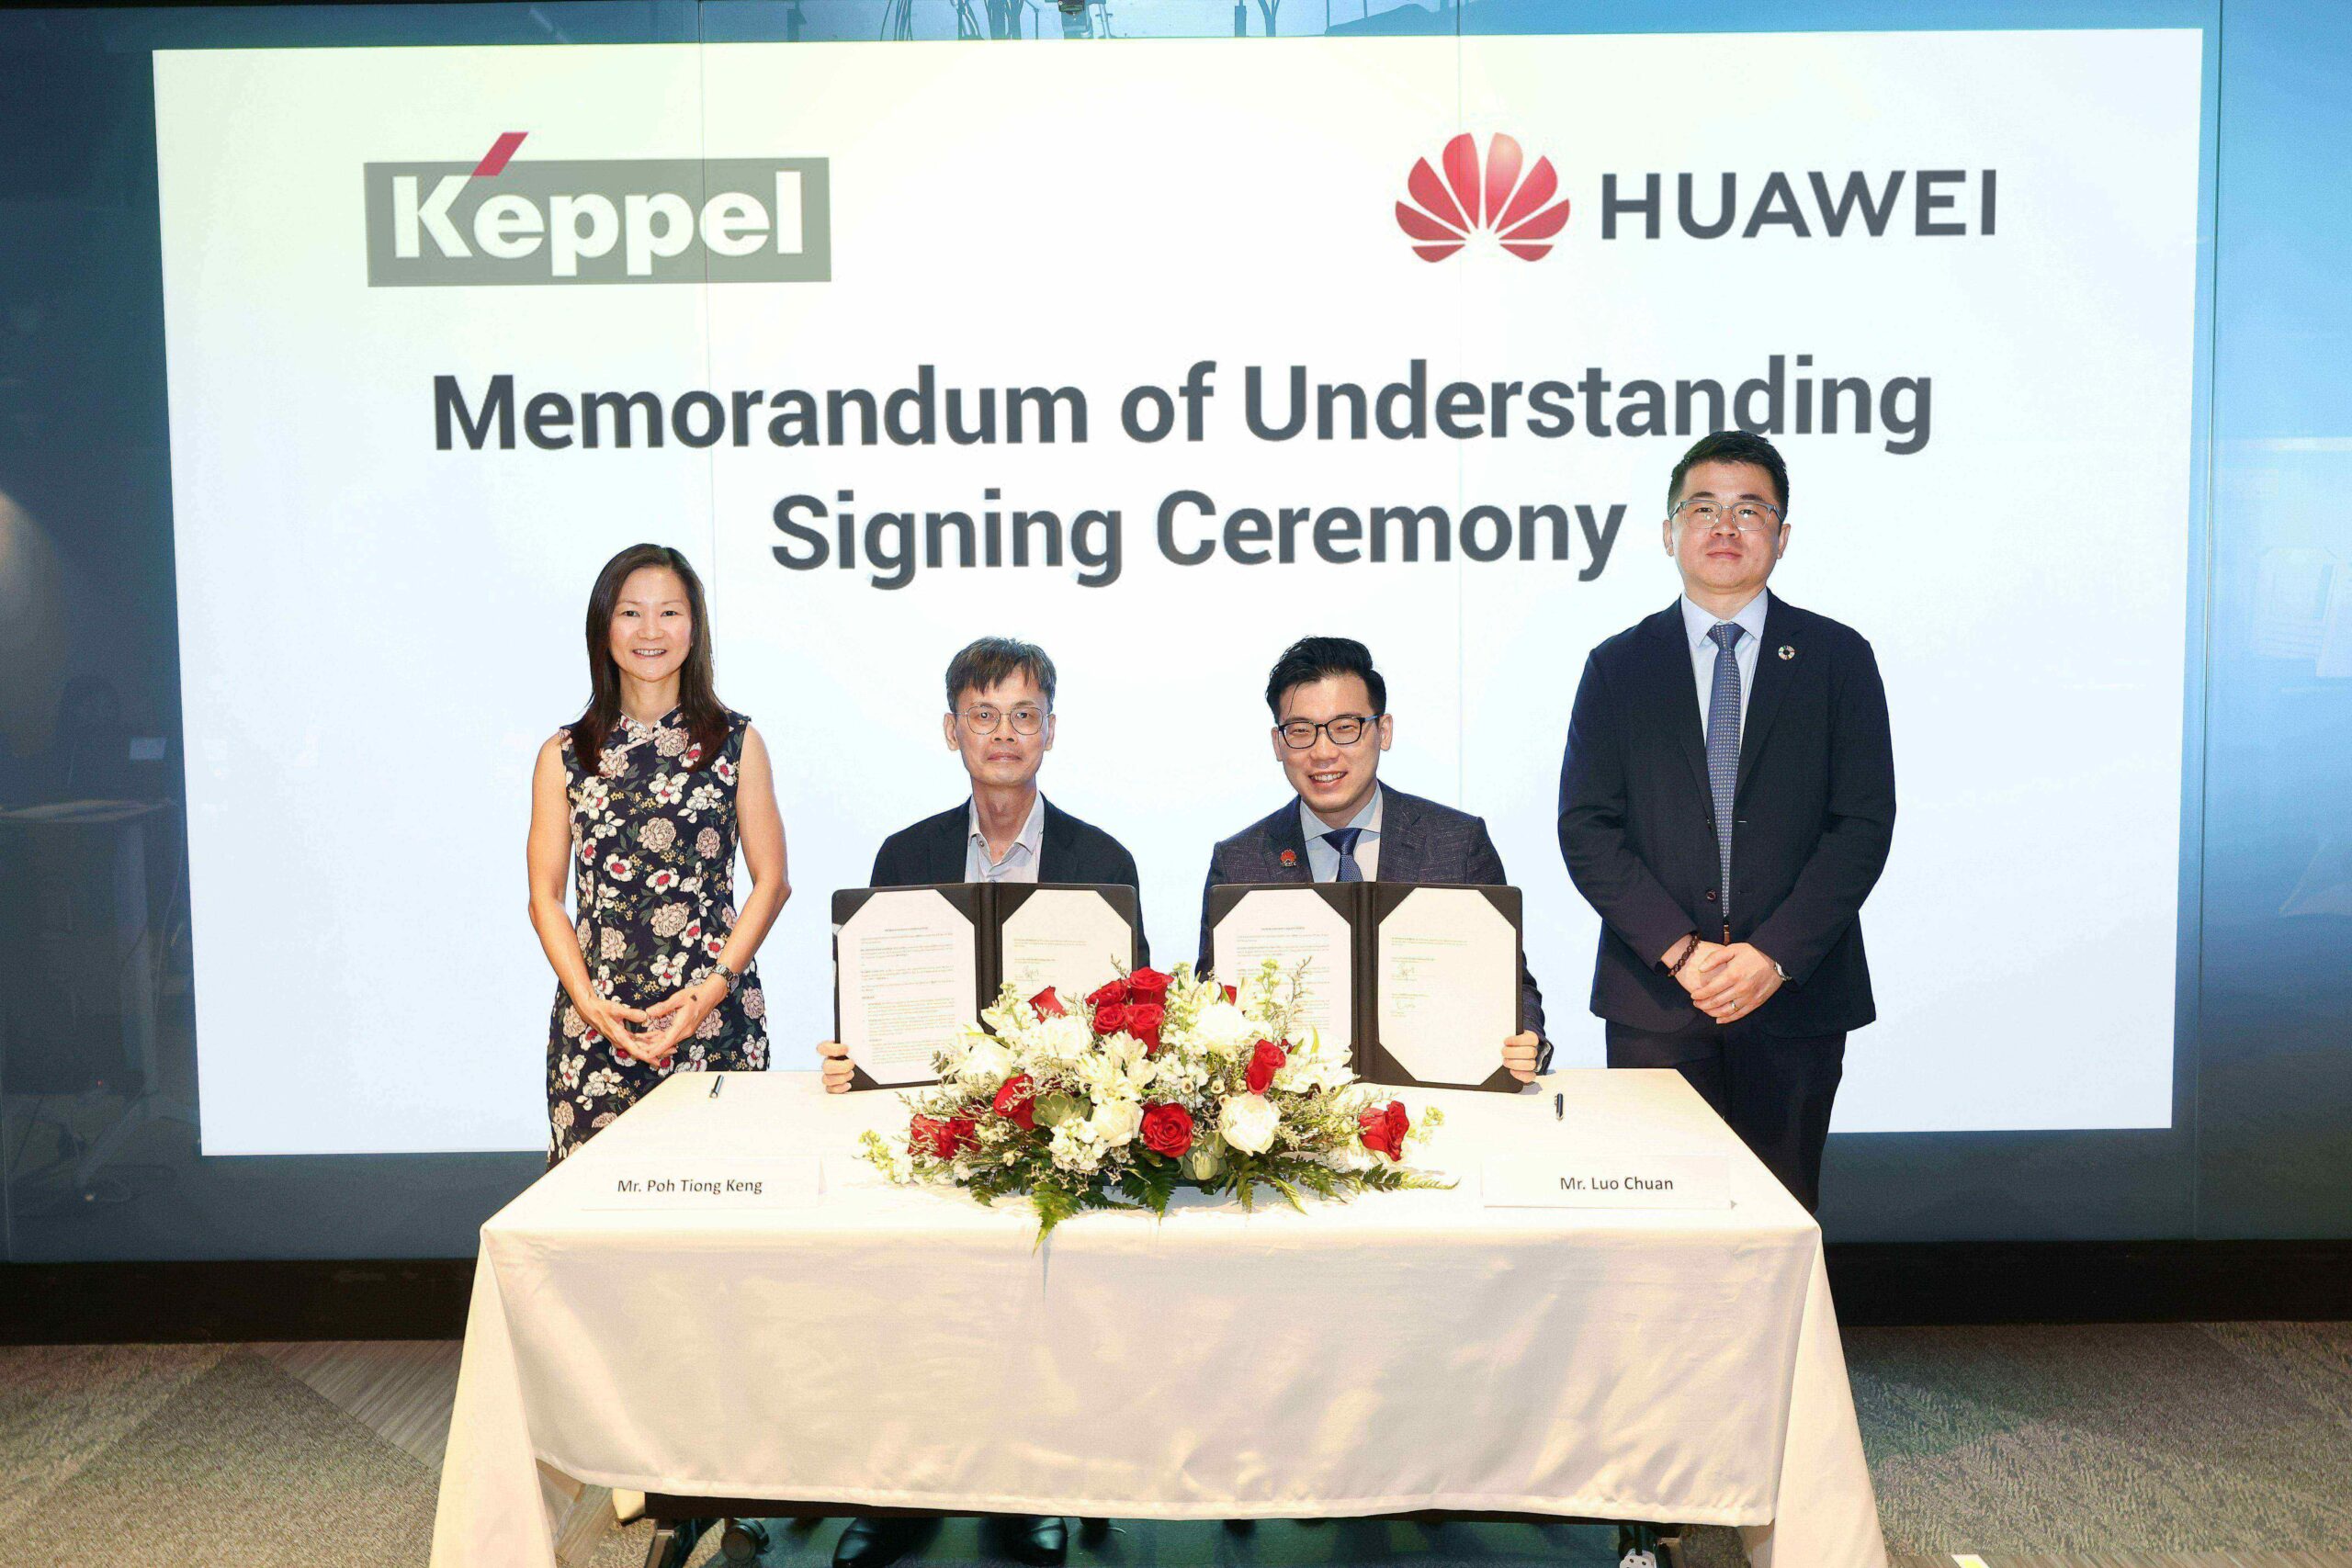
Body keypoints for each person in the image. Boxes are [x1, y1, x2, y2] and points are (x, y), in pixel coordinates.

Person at [818, 635, 1141, 1568]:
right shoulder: (906, 852)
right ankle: (900, 1489)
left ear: (1051, 731)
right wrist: (850, 1053)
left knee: (1039, 1298)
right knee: (907, 1296)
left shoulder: (1102, 857)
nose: (1004, 733)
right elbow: (869, 992)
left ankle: (1031, 1480)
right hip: (932, 1118)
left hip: (1053, 1127)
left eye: (1024, 715)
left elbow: (1134, 1013)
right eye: (985, 714)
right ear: (951, 728)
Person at [1556, 430, 1894, 1215]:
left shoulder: (1838, 658)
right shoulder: (1618, 665)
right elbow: (1587, 828)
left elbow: (1862, 824)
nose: (1725, 526)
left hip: (1795, 997)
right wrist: (1682, 951)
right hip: (1657, 1000)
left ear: (1783, 534)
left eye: (1750, 509)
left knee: (1778, 1217)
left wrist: (1772, 956)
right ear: (1668, 530)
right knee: (1661, 1225)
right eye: (1703, 508)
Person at [527, 543, 789, 1164]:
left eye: (669, 612)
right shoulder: (564, 755)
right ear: (604, 627)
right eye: (630, 613)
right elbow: (545, 898)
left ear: (694, 628)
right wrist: (588, 1002)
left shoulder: (737, 744)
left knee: (722, 1205)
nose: (651, 631)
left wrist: (712, 990)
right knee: (593, 1214)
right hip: (599, 1028)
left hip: (713, 1021)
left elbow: (772, 881)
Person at [1196, 636, 1547, 1082]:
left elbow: (1510, 983)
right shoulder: (1239, 861)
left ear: (1383, 732)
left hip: (1436, 1094)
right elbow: (1210, 1007)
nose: (1323, 752)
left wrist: (1526, 1037)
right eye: (1300, 731)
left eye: (1345, 727)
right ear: (1278, 744)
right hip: (1291, 1108)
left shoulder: (1456, 843)